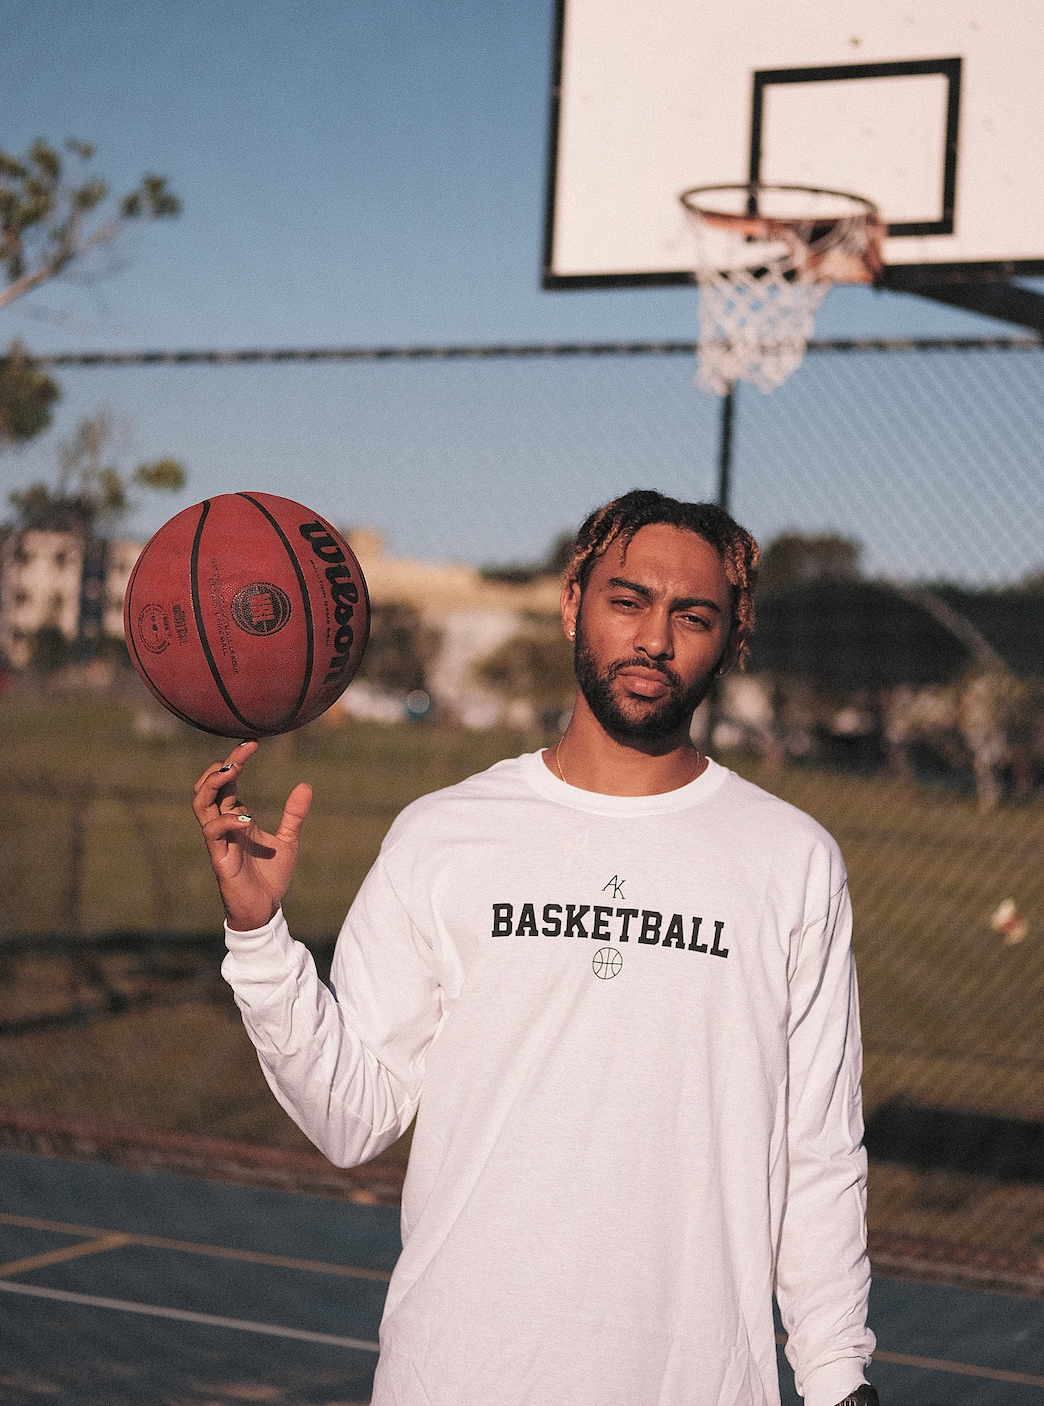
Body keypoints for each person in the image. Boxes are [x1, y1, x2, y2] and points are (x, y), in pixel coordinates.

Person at [194, 489, 877, 1406]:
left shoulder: (791, 861)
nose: (656, 640)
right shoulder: (445, 835)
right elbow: (354, 1116)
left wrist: (838, 1379)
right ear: (572, 604)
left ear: (732, 637)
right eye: (627, 601)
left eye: (694, 616)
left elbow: (817, 1153)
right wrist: (260, 938)